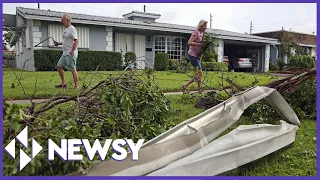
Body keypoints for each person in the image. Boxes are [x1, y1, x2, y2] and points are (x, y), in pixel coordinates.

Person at [53, 13, 79, 89]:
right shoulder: (66, 30)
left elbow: (76, 41)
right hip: (65, 53)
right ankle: (63, 83)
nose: (61, 21)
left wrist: (72, 51)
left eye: (63, 20)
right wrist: (58, 43)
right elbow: (66, 41)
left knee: (73, 69)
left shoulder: (72, 29)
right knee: (59, 66)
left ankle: (76, 86)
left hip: (70, 53)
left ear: (67, 20)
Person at [182, 20, 208, 94]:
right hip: (192, 55)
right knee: (199, 73)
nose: (206, 28)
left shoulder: (201, 33)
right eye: (205, 26)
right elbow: (189, 42)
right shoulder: (196, 32)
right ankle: (188, 86)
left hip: (197, 56)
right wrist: (200, 45)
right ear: (201, 26)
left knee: (199, 74)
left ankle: (197, 89)